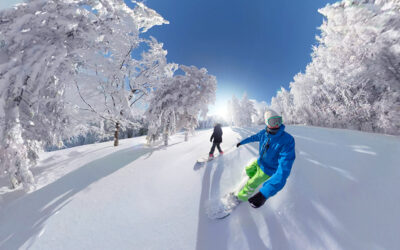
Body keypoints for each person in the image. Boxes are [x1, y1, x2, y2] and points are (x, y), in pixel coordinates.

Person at [235, 109, 296, 208]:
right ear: (267, 123)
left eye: (279, 120)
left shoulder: (287, 140)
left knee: (252, 183)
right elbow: (253, 138)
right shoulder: (263, 133)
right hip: (259, 162)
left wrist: (264, 193)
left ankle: (241, 198)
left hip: (268, 170)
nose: (277, 124)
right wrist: (241, 142)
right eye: (273, 121)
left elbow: (284, 168)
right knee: (248, 170)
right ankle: (247, 180)